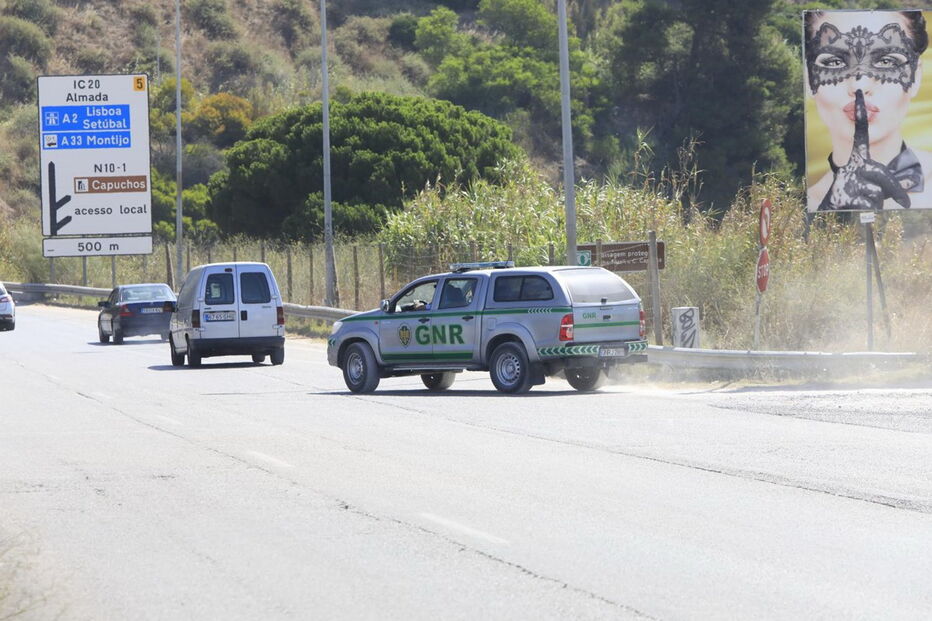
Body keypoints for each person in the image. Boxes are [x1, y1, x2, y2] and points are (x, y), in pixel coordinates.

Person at [805, 9, 931, 211]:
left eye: (886, 61)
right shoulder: (804, 206)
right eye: (835, 62)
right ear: (809, 77)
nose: (859, 86)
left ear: (916, 77)